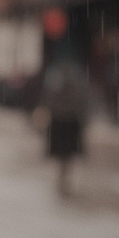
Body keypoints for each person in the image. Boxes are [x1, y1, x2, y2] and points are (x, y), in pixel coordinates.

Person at [41, 59, 89, 195]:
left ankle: (63, 176)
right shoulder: (74, 87)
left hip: (63, 123)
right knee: (67, 155)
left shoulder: (56, 85)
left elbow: (49, 102)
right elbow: (81, 104)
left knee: (64, 155)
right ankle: (63, 176)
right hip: (67, 123)